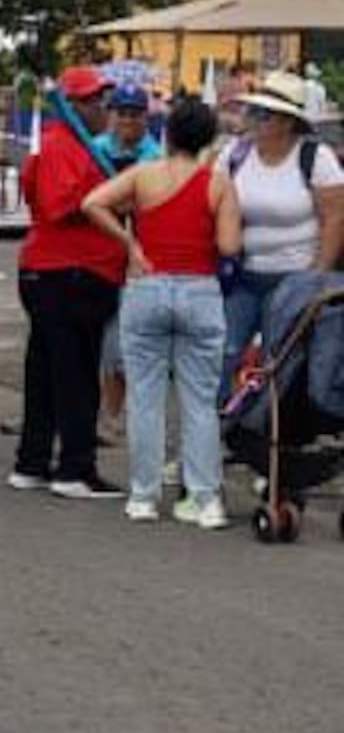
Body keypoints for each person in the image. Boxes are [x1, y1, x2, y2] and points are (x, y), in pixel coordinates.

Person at [82, 97, 243, 529]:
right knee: (200, 401)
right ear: (208, 139)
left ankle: (144, 496)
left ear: (167, 133)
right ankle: (205, 500)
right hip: (199, 291)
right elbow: (229, 246)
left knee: (144, 398)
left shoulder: (143, 174)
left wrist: (130, 244)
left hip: (147, 286)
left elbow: (92, 203)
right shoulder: (218, 183)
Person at [10, 64, 126, 499]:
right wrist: (115, 200)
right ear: (74, 105)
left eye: (103, 100)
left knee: (46, 371)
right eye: (95, 101)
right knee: (74, 375)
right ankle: (74, 467)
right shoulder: (62, 145)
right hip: (70, 270)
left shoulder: (68, 145)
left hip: (60, 269)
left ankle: (33, 461)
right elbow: (62, 204)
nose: (104, 108)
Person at [216, 69, 344, 399]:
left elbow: (334, 218)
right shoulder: (234, 154)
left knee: (278, 359)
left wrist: (317, 275)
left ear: (288, 122)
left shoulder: (316, 158)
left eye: (264, 114)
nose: (253, 119)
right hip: (242, 277)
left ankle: (267, 424)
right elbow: (214, 201)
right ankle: (223, 418)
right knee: (226, 351)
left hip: (295, 280)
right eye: (253, 111)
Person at [93, 83, 165, 441]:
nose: (127, 120)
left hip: (138, 261)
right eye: (121, 112)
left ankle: (115, 415)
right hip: (96, 256)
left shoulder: (155, 156)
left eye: (135, 113)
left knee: (120, 345)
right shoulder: (95, 149)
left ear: (145, 117)